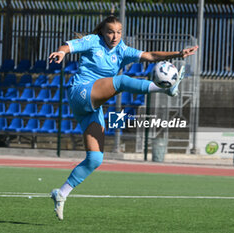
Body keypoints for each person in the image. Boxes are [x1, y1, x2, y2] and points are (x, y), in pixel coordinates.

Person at [49, 15, 197, 220]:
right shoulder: (93, 41)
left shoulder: (122, 50)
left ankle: (61, 193)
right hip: (80, 92)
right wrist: (61, 52)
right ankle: (165, 89)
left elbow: (151, 55)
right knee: (120, 81)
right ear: (102, 31)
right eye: (110, 31)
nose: (115, 36)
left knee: (95, 159)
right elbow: (68, 46)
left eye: (118, 32)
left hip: (91, 108)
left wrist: (179, 53)